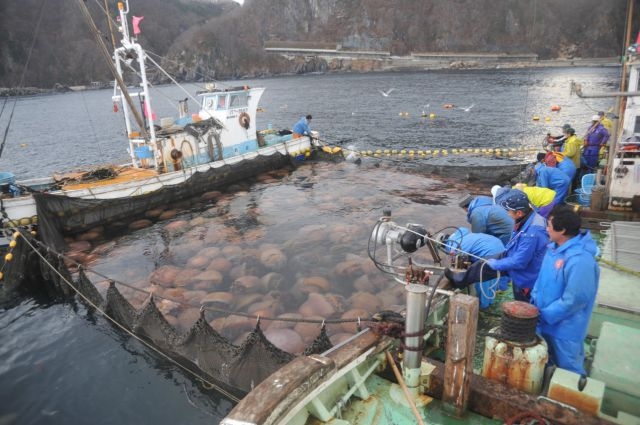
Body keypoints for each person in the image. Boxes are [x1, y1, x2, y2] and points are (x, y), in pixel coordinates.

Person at [530, 204, 599, 375]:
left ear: (562, 231)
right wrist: (534, 303)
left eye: (549, 226)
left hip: (565, 329)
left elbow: (575, 299)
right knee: (544, 361)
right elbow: (541, 280)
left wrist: (546, 314)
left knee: (569, 370)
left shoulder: (580, 260)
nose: (546, 229)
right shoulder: (553, 249)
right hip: (542, 320)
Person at [446, 190, 548, 302]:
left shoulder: (531, 234)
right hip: (517, 253)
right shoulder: (531, 217)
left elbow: (519, 261)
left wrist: (497, 264)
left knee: (522, 301)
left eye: (509, 211)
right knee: (484, 265)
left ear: (519, 213)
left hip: (529, 274)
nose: (507, 214)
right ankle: (461, 279)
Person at [441, 227, 508, 308]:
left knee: (482, 279)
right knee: (498, 273)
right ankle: (500, 289)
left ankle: (483, 305)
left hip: (489, 253)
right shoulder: (464, 236)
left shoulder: (454, 245)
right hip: (499, 245)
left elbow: (458, 259)